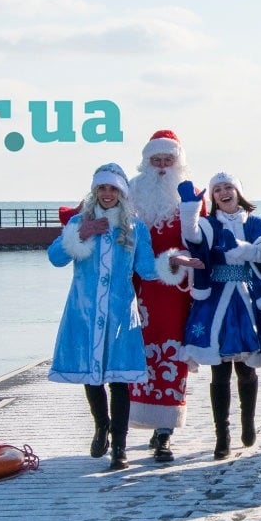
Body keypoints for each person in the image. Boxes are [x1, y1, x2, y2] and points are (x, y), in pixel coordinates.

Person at [47, 163, 159, 471]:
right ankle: (101, 425)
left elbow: (147, 269)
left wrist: (174, 262)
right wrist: (81, 233)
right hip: (83, 311)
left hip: (120, 314)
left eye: (113, 189)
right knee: (91, 375)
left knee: (119, 380)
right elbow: (55, 258)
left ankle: (119, 447)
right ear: (95, 191)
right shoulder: (79, 221)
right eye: (102, 188)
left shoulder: (134, 227)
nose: (107, 194)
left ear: (122, 193)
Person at [176, 172, 261, 459]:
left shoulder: (256, 223)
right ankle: (222, 435)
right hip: (216, 300)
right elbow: (192, 237)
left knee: (246, 370)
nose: (224, 192)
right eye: (218, 189)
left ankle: (248, 422)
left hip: (247, 301)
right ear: (213, 197)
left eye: (228, 187)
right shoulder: (208, 224)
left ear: (238, 192)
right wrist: (189, 209)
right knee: (219, 372)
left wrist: (243, 249)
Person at [128, 129, 205, 463]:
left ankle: (164, 431)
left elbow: (201, 241)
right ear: (147, 161)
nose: (161, 166)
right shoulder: (131, 192)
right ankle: (129, 422)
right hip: (137, 290)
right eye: (156, 160)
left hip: (176, 290)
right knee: (136, 354)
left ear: (177, 162)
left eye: (167, 160)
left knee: (173, 354)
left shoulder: (189, 196)